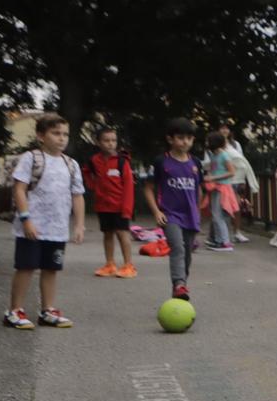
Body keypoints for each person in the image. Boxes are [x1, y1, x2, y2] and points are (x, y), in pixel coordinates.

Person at [4, 114, 86, 330]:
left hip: (57, 228)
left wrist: (79, 224)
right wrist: (26, 219)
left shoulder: (71, 164)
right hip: (32, 227)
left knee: (51, 269)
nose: (61, 138)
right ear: (41, 136)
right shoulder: (31, 158)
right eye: (56, 133)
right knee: (26, 267)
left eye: (65, 134)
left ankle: (47, 310)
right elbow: (19, 189)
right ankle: (14, 310)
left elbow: (77, 195)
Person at [145, 118, 204, 301]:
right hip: (170, 215)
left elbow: (199, 189)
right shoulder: (162, 162)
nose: (185, 142)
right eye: (180, 137)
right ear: (170, 139)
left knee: (186, 255)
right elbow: (148, 188)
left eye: (189, 138)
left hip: (190, 215)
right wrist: (157, 211)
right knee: (177, 247)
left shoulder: (195, 163)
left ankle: (179, 288)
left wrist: (198, 210)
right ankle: (179, 283)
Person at [85, 126, 139, 278]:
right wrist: (93, 186)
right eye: (106, 140)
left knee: (123, 234)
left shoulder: (122, 162)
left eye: (113, 140)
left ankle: (128, 265)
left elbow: (129, 186)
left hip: (120, 207)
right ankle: (110, 264)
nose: (110, 144)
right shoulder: (94, 161)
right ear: (98, 142)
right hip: (103, 206)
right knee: (107, 234)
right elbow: (86, 172)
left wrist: (127, 209)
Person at [204, 130, 248, 251]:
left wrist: (213, 177)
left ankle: (224, 242)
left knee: (219, 216)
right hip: (215, 187)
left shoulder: (224, 155)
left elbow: (231, 172)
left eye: (208, 141)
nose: (206, 143)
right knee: (215, 215)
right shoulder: (213, 155)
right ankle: (218, 240)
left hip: (223, 188)